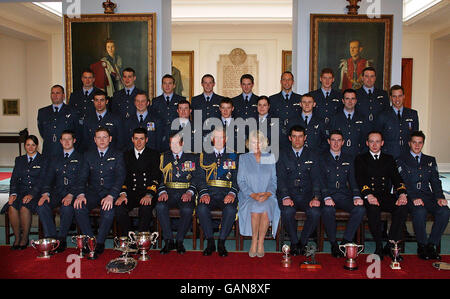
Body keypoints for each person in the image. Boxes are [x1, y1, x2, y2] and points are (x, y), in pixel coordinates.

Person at [354, 131, 408, 260]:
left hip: (384, 194)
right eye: (371, 141)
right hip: (369, 195)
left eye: (377, 141)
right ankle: (378, 246)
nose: (374, 144)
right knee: (373, 209)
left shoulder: (388, 159)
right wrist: (368, 195)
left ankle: (391, 244)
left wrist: (402, 194)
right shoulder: (360, 158)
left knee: (402, 207)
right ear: (367, 143)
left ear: (382, 143)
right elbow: (360, 179)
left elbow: (397, 178)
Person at [74, 127, 126, 259]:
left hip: (109, 192)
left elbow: (120, 177)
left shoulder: (118, 154)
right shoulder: (88, 155)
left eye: (105, 137)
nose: (102, 140)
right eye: (99, 137)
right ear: (94, 140)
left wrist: (111, 195)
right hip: (92, 192)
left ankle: (100, 243)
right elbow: (81, 177)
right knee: (79, 207)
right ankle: (90, 240)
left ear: (110, 139)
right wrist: (80, 194)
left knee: (108, 211)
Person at [396, 131, 449, 260]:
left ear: (423, 144)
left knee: (444, 211)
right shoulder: (401, 160)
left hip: (427, 196)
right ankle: (422, 245)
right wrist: (414, 197)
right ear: (409, 143)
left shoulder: (430, 160)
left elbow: (435, 181)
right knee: (420, 211)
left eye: (420, 142)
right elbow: (403, 181)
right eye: (414, 142)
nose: (417, 145)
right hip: (409, 196)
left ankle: (432, 245)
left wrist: (440, 197)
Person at [156, 133, 206, 255]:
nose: (174, 146)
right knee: (160, 206)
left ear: (182, 143)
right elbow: (158, 177)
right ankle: (168, 240)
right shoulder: (163, 157)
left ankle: (179, 240)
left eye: (177, 143)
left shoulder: (193, 157)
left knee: (188, 210)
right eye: (171, 143)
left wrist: (190, 192)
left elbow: (198, 177)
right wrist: (162, 191)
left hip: (185, 192)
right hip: (168, 192)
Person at [276, 125, 321, 256]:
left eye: (300, 136)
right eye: (294, 136)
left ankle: (303, 242)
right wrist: (285, 197)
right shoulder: (282, 155)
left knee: (315, 212)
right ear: (290, 138)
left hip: (307, 195)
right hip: (289, 194)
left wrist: (316, 197)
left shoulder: (313, 155)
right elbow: (281, 178)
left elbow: (316, 178)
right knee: (287, 211)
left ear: (305, 138)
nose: (297, 140)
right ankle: (295, 243)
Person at [319, 130, 365, 257]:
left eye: (339, 140)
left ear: (343, 142)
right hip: (328, 195)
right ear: (329, 141)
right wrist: (326, 197)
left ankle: (345, 242)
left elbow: (353, 180)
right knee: (328, 210)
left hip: (344, 195)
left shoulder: (349, 158)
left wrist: (356, 196)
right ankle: (334, 244)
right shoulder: (322, 158)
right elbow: (320, 180)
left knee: (360, 209)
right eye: (333, 140)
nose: (336, 143)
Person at [36, 130, 83, 253]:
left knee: (67, 208)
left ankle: (61, 239)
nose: (67, 142)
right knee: (42, 206)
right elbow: (48, 178)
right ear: (60, 141)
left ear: (74, 140)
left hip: (73, 192)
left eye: (69, 139)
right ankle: (51, 238)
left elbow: (82, 180)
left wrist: (71, 194)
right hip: (57, 192)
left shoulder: (81, 157)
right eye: (64, 139)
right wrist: (45, 193)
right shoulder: (54, 159)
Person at [237, 130, 280, 258]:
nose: (256, 145)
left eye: (259, 142)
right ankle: (253, 241)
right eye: (254, 142)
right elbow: (241, 181)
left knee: (265, 207)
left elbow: (273, 180)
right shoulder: (244, 158)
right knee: (255, 207)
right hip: (248, 196)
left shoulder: (269, 158)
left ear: (264, 143)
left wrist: (268, 193)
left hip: (268, 195)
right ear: (249, 143)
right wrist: (253, 195)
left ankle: (260, 243)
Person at [198, 128, 239, 257]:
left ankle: (221, 242)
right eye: (217, 137)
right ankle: (210, 241)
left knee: (231, 210)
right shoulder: (203, 156)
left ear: (226, 139)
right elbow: (199, 177)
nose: (220, 140)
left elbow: (238, 178)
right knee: (201, 208)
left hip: (227, 194)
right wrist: (204, 193)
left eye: (222, 138)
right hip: (209, 193)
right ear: (211, 139)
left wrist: (232, 193)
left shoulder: (234, 155)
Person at [2, 136, 47, 250]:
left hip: (35, 194)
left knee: (24, 207)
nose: (30, 147)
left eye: (33, 145)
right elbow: (14, 179)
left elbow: (43, 180)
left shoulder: (43, 159)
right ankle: (17, 237)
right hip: (20, 192)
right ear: (24, 146)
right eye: (28, 145)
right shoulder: (19, 159)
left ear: (37, 146)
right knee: (12, 206)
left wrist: (32, 194)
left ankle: (24, 238)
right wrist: (13, 194)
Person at [115, 128, 162, 238]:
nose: (139, 142)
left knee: (145, 208)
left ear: (146, 140)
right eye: (136, 139)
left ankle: (142, 238)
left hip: (147, 192)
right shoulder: (126, 155)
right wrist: (123, 194)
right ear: (132, 139)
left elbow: (156, 176)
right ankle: (129, 237)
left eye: (141, 139)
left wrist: (149, 194)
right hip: (131, 193)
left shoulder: (154, 154)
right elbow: (122, 177)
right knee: (119, 207)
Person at [376, 85, 419, 159]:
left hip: (407, 154)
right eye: (394, 96)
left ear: (404, 96)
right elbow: (378, 136)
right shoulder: (383, 115)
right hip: (388, 155)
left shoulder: (412, 114)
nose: (397, 99)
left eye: (400, 96)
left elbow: (415, 136)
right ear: (390, 98)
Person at [37, 85, 80, 157]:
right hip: (48, 152)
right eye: (53, 93)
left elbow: (78, 132)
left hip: (66, 152)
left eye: (58, 93)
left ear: (63, 96)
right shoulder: (42, 112)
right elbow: (42, 131)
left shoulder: (72, 111)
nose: (55, 95)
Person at [329, 88, 369, 158]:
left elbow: (365, 140)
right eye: (347, 99)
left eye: (352, 99)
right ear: (343, 101)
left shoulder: (363, 118)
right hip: (339, 157)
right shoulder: (334, 118)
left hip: (358, 156)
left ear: (356, 101)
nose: (350, 101)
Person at [150, 74, 186, 151]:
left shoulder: (181, 99)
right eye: (165, 83)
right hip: (160, 137)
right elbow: (153, 119)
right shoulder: (156, 101)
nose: (167, 86)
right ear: (162, 85)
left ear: (174, 85)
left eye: (170, 83)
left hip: (177, 136)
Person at [269, 71, 302, 150]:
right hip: (277, 139)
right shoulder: (272, 99)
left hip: (295, 139)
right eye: (284, 79)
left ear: (293, 82)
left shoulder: (300, 99)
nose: (287, 82)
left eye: (289, 79)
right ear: (281, 82)